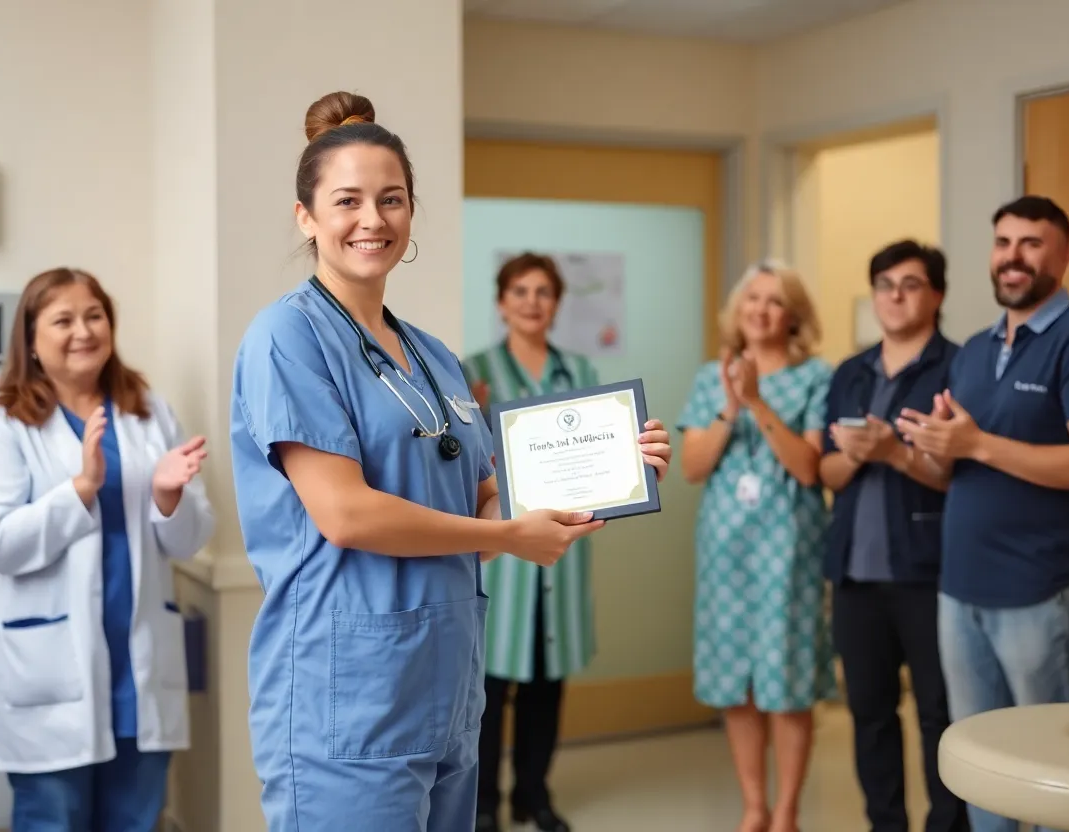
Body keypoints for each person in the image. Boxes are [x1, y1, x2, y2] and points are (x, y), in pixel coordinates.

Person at [227, 91, 674, 832]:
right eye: (347, 201)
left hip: (444, 689)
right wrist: (507, 538)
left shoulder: (433, 356)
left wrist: (607, 472)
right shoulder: (286, 338)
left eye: (392, 199)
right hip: (349, 697)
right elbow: (345, 514)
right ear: (307, 216)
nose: (372, 219)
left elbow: (492, 497)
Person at [0, 267, 215, 832]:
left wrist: (169, 495)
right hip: (51, 671)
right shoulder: (0, 421)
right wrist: (81, 488)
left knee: (137, 821)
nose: (83, 331)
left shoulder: (148, 412)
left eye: (94, 315)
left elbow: (191, 538)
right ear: (30, 338)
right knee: (52, 819)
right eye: (63, 319)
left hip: (138, 667)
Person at [896, 196, 1069, 832]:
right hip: (959, 590)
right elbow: (950, 468)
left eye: (1031, 243)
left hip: (1035, 591)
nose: (1012, 257)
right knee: (982, 772)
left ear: (1063, 255)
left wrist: (976, 443)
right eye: (1003, 242)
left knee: (1047, 783)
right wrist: (914, 448)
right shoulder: (975, 349)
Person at [677, 260, 834, 832]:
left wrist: (760, 404)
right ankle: (753, 808)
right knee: (736, 686)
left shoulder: (816, 377)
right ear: (737, 311)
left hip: (789, 548)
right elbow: (692, 467)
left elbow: (811, 468)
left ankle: (788, 811)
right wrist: (731, 403)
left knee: (786, 685)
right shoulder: (708, 377)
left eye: (773, 300)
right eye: (752, 299)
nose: (760, 309)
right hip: (726, 550)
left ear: (793, 315)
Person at [820, 240, 968, 832]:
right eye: (885, 284)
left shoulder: (959, 367)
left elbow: (960, 477)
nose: (896, 295)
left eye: (911, 284)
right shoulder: (849, 373)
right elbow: (826, 472)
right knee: (870, 715)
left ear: (936, 294)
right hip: (855, 575)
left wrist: (892, 452)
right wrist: (859, 456)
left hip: (929, 573)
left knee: (940, 715)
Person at [461, 252, 601, 832]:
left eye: (543, 292)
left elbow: (600, 453)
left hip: (563, 553)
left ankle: (534, 795)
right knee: (492, 691)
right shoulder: (472, 372)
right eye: (519, 291)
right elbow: (465, 467)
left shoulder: (581, 373)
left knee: (548, 686)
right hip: (504, 553)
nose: (531, 302)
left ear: (556, 303)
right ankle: (486, 802)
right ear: (501, 302)